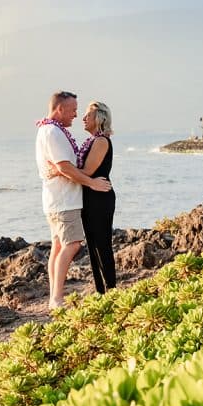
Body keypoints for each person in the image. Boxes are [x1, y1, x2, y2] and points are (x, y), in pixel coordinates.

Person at [35, 91, 111, 309]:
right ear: (60, 109)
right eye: (73, 110)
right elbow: (64, 166)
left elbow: (63, 167)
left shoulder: (49, 130)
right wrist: (91, 183)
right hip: (63, 201)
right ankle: (57, 298)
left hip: (56, 199)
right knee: (72, 244)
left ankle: (54, 296)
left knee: (59, 247)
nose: (76, 115)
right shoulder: (53, 132)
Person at [76, 101, 116, 294]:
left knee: (102, 244)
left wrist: (61, 169)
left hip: (100, 198)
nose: (83, 118)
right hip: (91, 196)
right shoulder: (93, 141)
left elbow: (88, 171)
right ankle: (101, 290)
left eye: (88, 115)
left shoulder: (101, 142)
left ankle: (110, 288)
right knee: (93, 245)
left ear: (99, 119)